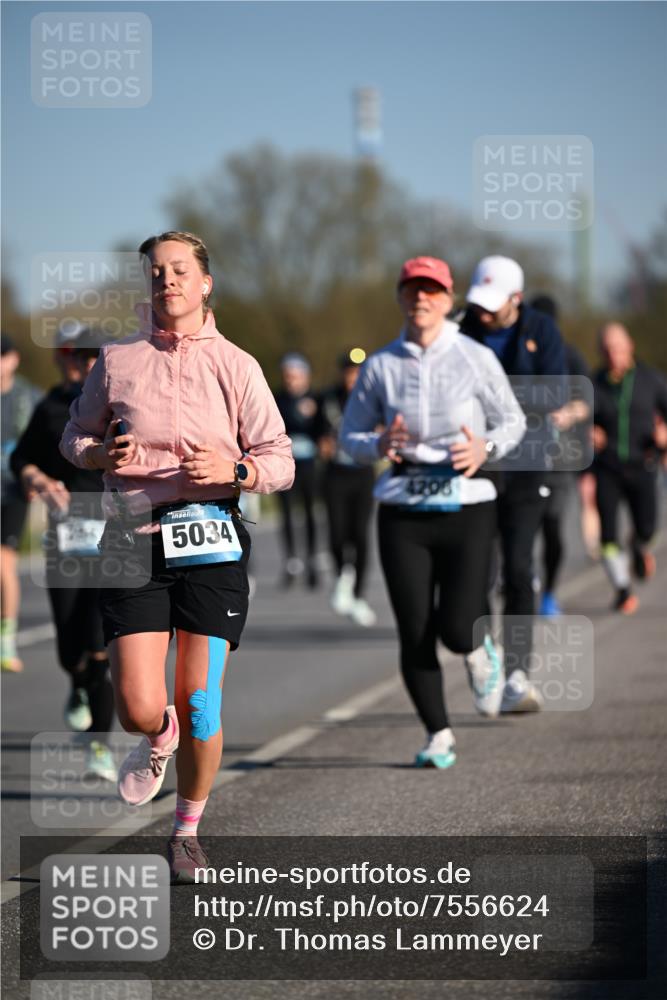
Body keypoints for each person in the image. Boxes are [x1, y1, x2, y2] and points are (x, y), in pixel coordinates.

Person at [60, 231, 294, 881]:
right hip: (130, 538)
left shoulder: (237, 365)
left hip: (210, 540)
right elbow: (74, 435)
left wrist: (236, 469)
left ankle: (186, 831)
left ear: (205, 283)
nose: (167, 280)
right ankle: (156, 735)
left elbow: (280, 459)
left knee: (200, 704)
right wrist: (98, 454)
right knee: (138, 707)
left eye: (180, 270)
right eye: (157, 271)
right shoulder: (118, 359)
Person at [341, 256, 526, 769]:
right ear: (401, 298)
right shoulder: (380, 365)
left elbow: (512, 421)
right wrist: (377, 444)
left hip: (466, 504)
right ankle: (437, 733)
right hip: (402, 509)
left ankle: (478, 650)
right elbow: (349, 437)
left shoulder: (474, 357)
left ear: (448, 300)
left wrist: (485, 447)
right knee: (415, 629)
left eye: (431, 290)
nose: (420, 298)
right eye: (411, 290)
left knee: (458, 627)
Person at [460, 257, 566, 712]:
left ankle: (519, 674)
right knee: (478, 571)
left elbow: (554, 393)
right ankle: (489, 658)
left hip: (527, 465)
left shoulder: (542, 330)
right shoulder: (463, 328)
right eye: (478, 303)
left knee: (519, 569)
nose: (483, 313)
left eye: (493, 304)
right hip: (477, 466)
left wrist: (497, 398)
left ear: (516, 299)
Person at [11, 329, 117, 780]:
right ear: (69, 362)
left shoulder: (127, 405)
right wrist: (40, 480)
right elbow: (20, 458)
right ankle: (76, 683)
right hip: (66, 538)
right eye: (80, 357)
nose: (87, 365)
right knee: (70, 648)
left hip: (116, 538)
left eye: (96, 357)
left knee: (101, 646)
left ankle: (99, 747)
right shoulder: (54, 406)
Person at [592, 322, 667, 613]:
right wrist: (587, 432)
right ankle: (623, 590)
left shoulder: (651, 380)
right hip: (607, 467)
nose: (614, 355)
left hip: (643, 464)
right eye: (608, 350)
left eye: (618, 348)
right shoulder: (593, 383)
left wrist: (664, 437)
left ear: (630, 347)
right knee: (608, 535)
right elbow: (577, 419)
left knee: (648, 528)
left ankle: (639, 546)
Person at [529, 294, 594, 617]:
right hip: (524, 459)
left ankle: (550, 592)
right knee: (520, 531)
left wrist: (568, 413)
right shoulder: (520, 353)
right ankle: (521, 581)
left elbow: (587, 402)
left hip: (560, 460)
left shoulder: (570, 356)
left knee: (553, 530)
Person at [320, 348, 376, 627]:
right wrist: (321, 443)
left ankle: (358, 594)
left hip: (363, 474)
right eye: (350, 372)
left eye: (358, 372)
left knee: (360, 535)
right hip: (336, 475)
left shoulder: (373, 398)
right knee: (337, 533)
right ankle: (343, 575)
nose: (353, 377)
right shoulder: (329, 399)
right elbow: (316, 429)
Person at [1, 333, 41, 672]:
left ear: (13, 359)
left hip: (14, 492)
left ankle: (6, 640)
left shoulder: (29, 397)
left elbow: (47, 441)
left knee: (4, 563)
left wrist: (37, 477)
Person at [274, 353, 327, 588]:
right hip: (285, 464)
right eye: (287, 376)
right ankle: (291, 559)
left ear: (305, 376)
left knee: (309, 511)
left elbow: (323, 429)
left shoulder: (316, 399)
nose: (291, 381)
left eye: (295, 376)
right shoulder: (278, 399)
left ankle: (312, 557)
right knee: (286, 512)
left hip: (308, 465)